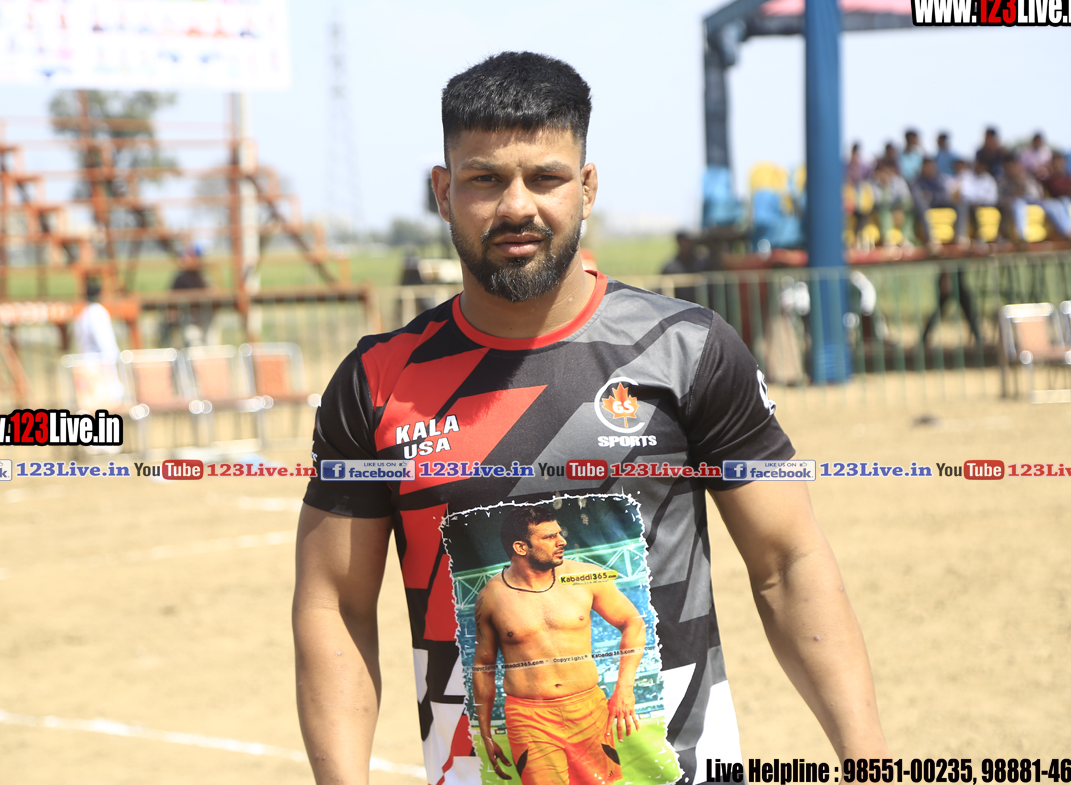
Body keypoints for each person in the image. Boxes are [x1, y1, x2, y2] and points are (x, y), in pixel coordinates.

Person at [293, 52, 889, 785]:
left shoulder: (687, 349)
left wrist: (871, 766)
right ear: (444, 193)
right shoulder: (375, 383)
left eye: (545, 178)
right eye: (485, 180)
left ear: (587, 186)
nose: (517, 206)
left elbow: (787, 565)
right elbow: (335, 606)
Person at [472, 505, 643, 785]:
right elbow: (483, 665)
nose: (561, 541)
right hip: (529, 717)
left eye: (559, 533)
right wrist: (486, 733)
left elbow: (633, 622)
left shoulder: (586, 576)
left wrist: (625, 689)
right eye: (549, 537)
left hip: (589, 710)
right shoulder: (491, 597)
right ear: (521, 547)